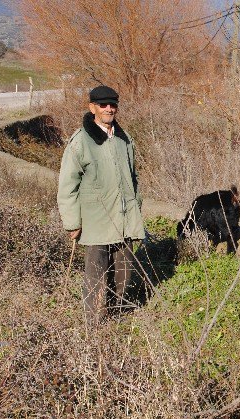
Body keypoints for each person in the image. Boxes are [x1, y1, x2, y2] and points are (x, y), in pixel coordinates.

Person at [57, 85, 145, 323]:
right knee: (96, 274)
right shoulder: (81, 141)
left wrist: (136, 206)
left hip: (124, 219)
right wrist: (72, 222)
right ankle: (94, 324)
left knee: (123, 274)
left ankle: (116, 315)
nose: (109, 108)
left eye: (112, 104)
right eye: (103, 104)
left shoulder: (124, 139)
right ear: (92, 107)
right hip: (95, 221)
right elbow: (67, 185)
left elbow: (133, 178)